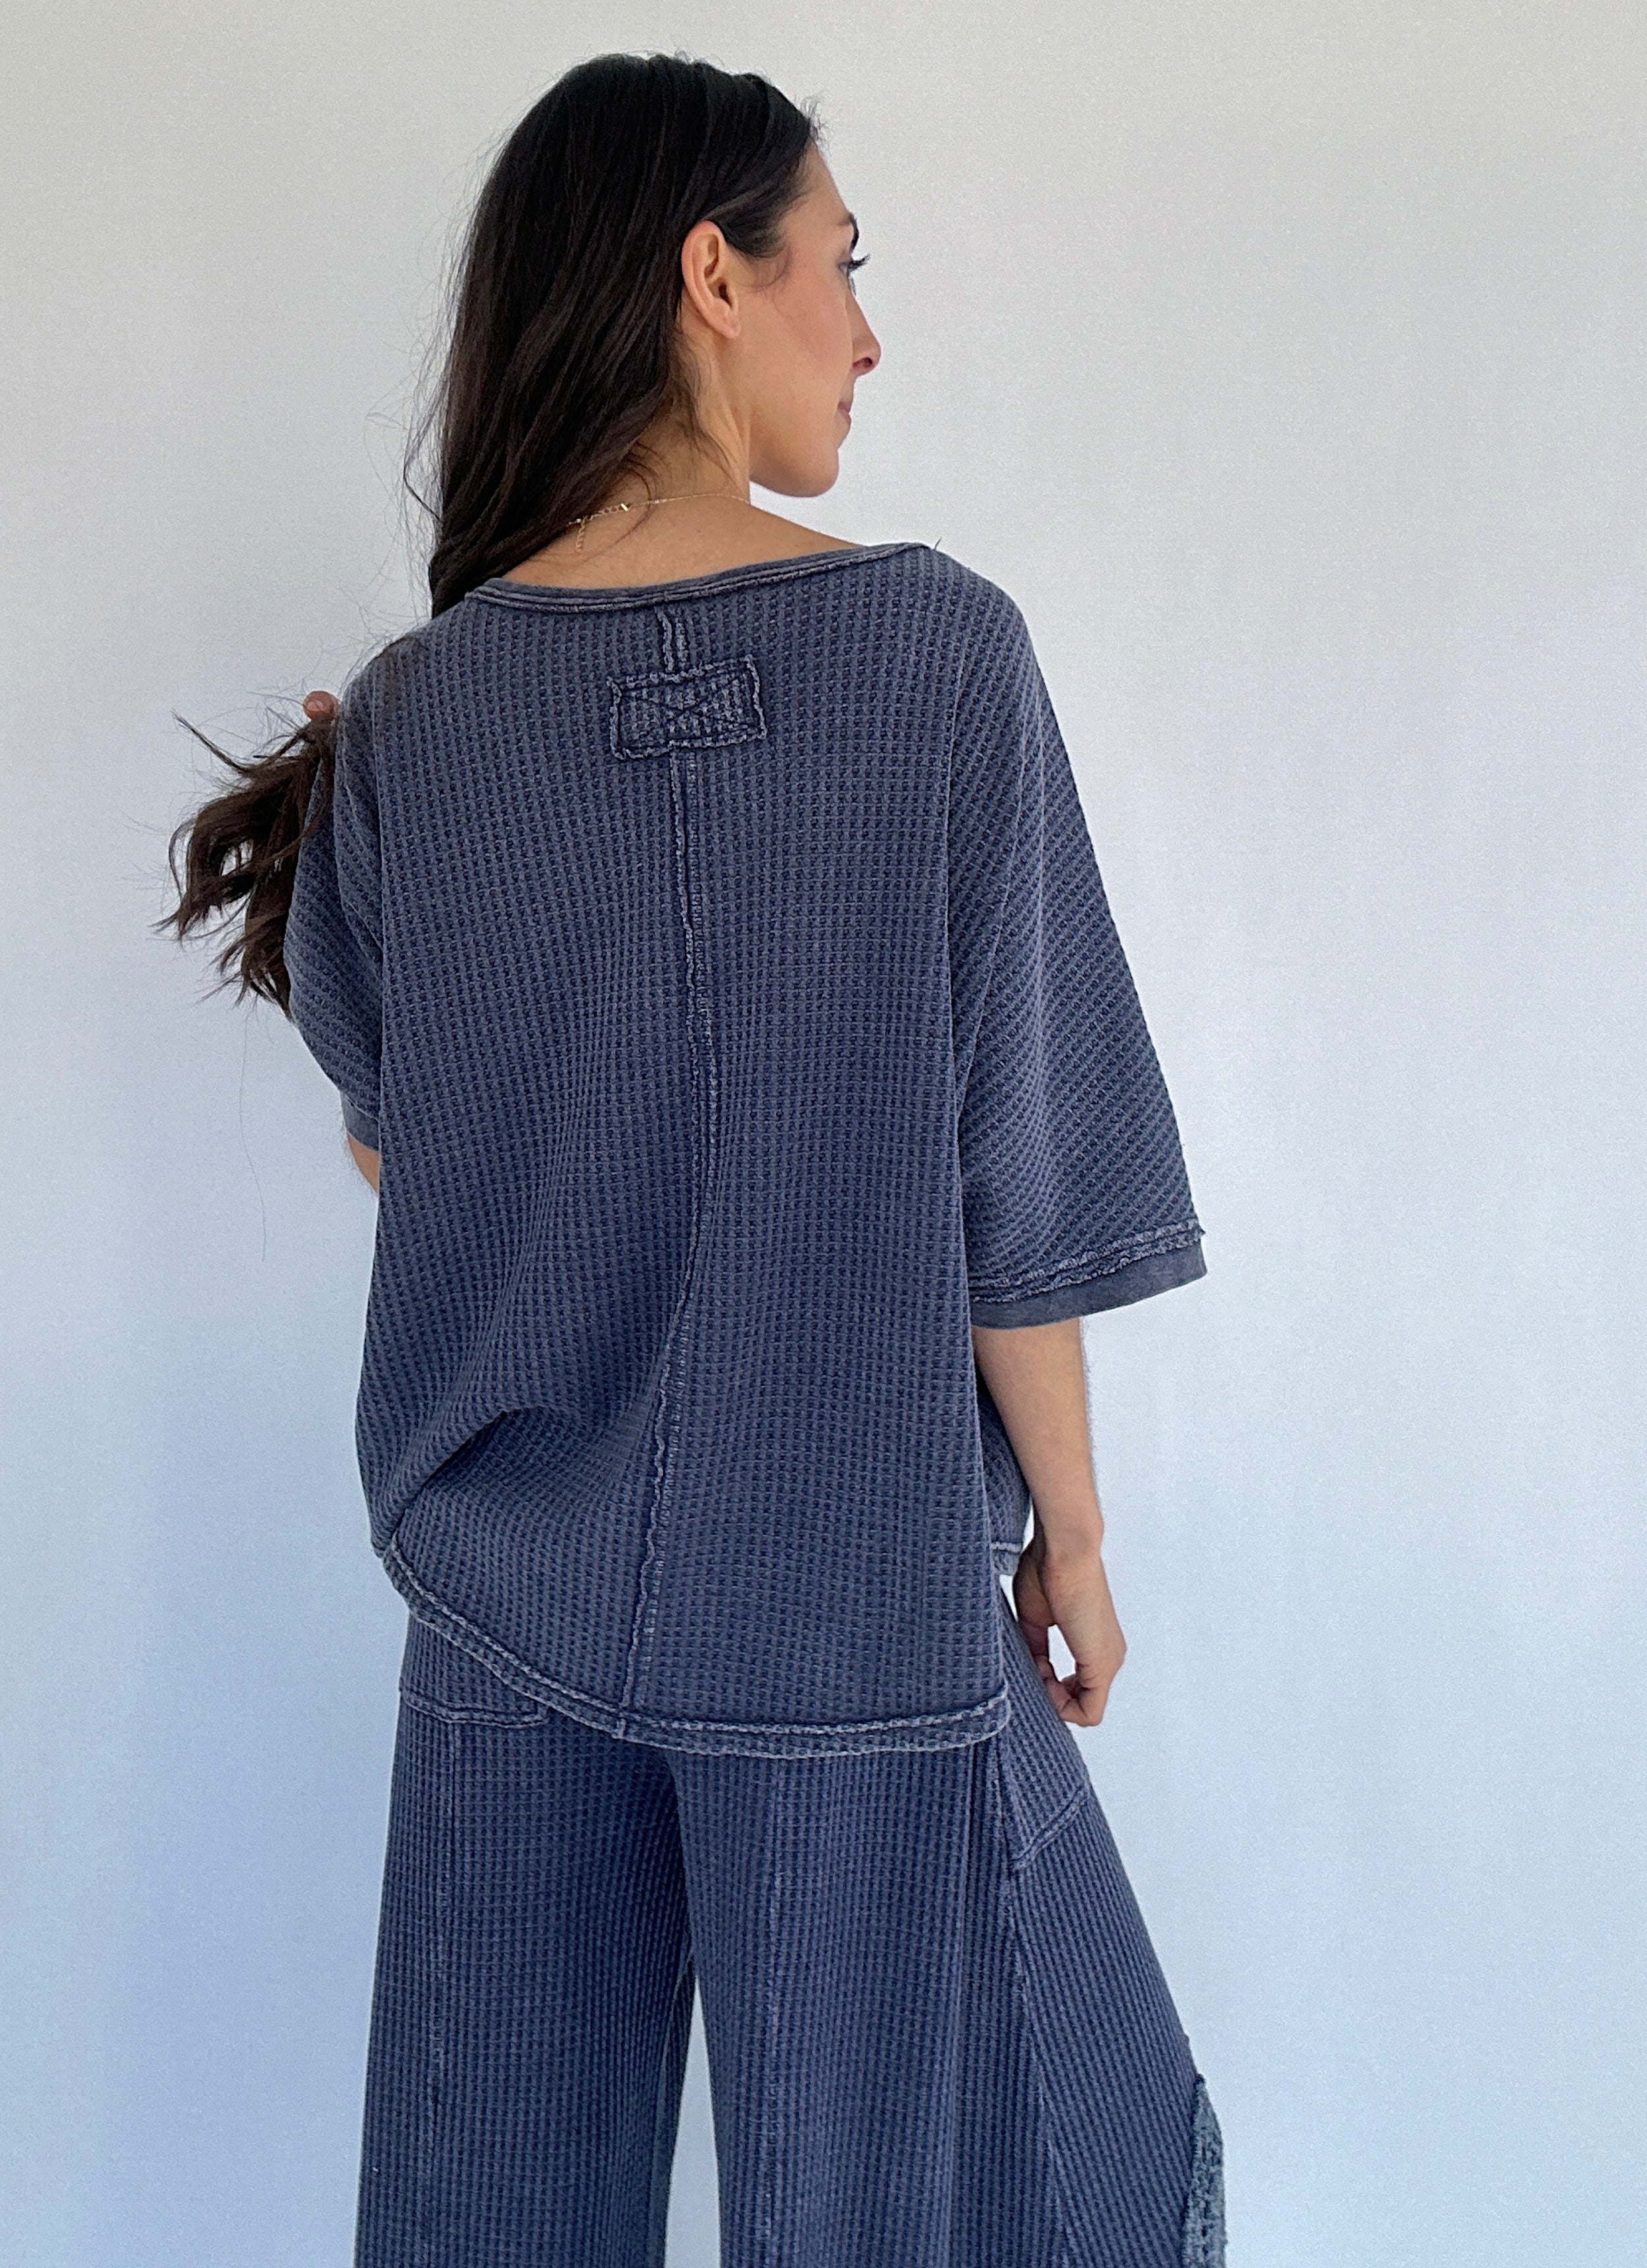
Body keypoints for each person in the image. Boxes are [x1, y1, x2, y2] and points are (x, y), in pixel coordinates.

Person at [164, 50, 1225, 2268]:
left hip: (509, 1601)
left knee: (495, 2214)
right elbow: (1011, 1199)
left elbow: (428, 1174)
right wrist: (1076, 1540)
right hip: (859, 1612)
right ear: (709, 278)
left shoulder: (425, 714)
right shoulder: (940, 658)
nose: (868, 329)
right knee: (943, 2212)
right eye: (842, 261)